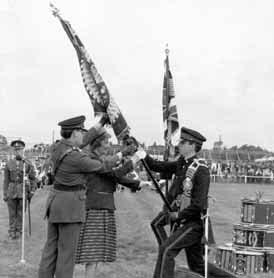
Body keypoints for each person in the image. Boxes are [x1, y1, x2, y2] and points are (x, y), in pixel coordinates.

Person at [38, 115, 144, 278]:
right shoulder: (77, 157)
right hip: (70, 209)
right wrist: (127, 154)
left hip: (55, 204)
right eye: (80, 131)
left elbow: (84, 140)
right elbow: (105, 167)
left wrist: (101, 122)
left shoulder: (58, 147)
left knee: (50, 250)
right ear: (74, 133)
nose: (83, 135)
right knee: (66, 254)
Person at [139, 127, 213, 278]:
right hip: (183, 221)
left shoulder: (201, 169)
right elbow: (158, 166)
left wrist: (178, 215)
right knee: (197, 266)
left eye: (183, 142)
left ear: (192, 145)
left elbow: (198, 204)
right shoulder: (181, 163)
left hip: (194, 223)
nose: (179, 144)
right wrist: (142, 154)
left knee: (167, 250)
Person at [75, 127, 142, 278]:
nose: (109, 145)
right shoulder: (91, 159)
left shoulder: (98, 159)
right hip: (96, 208)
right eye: (106, 142)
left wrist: (137, 184)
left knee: (97, 254)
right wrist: (132, 159)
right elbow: (115, 173)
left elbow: (113, 176)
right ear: (98, 143)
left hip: (102, 207)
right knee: (92, 255)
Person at [3, 139, 36, 239]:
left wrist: (32, 190)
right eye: (16, 150)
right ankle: (12, 232)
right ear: (13, 151)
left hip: (23, 191)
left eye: (20, 150)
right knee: (12, 213)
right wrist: (5, 193)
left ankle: (19, 231)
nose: (18, 151)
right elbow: (6, 180)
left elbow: (33, 178)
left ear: (23, 150)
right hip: (11, 191)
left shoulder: (28, 163)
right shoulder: (9, 163)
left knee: (21, 213)